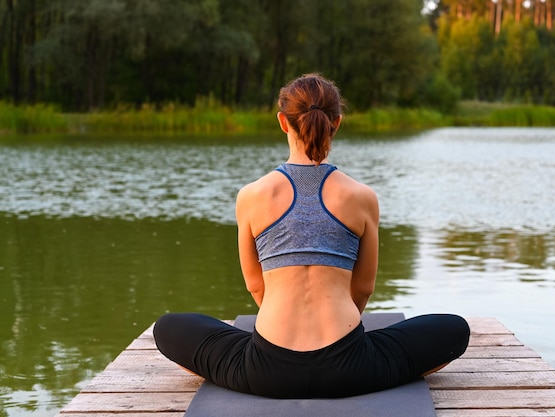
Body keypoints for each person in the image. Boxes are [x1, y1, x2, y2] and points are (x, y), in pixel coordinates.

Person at [153, 74, 470, 399]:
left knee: (168, 328)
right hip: (351, 369)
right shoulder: (361, 197)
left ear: (282, 122)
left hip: (266, 371)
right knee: (453, 329)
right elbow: (363, 289)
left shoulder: (252, 195)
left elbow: (255, 286)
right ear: (337, 122)